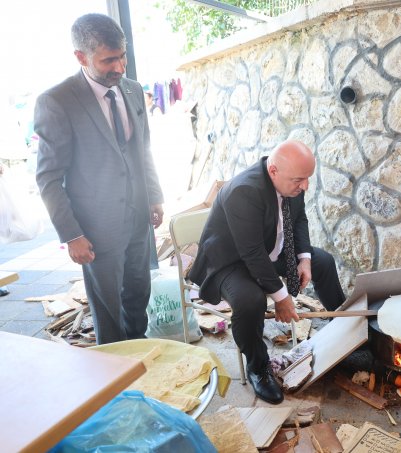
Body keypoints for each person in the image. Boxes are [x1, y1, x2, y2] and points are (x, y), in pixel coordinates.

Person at [34, 13, 164, 345]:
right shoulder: (57, 102)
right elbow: (49, 178)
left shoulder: (132, 90)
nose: (120, 67)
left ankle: (140, 355)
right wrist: (72, 234)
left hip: (138, 219)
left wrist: (154, 195)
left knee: (138, 297)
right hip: (96, 230)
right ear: (81, 57)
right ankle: (114, 374)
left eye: (122, 56)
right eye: (109, 60)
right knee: (109, 310)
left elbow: (143, 150)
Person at [189, 140, 346, 404]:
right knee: (250, 300)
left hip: (268, 249)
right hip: (231, 260)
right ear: (273, 171)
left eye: (307, 179)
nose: (305, 186)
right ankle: (258, 367)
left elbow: (299, 220)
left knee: (324, 261)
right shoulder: (243, 191)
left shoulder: (293, 180)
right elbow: (251, 254)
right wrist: (282, 298)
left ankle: (344, 328)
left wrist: (304, 259)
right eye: (299, 180)